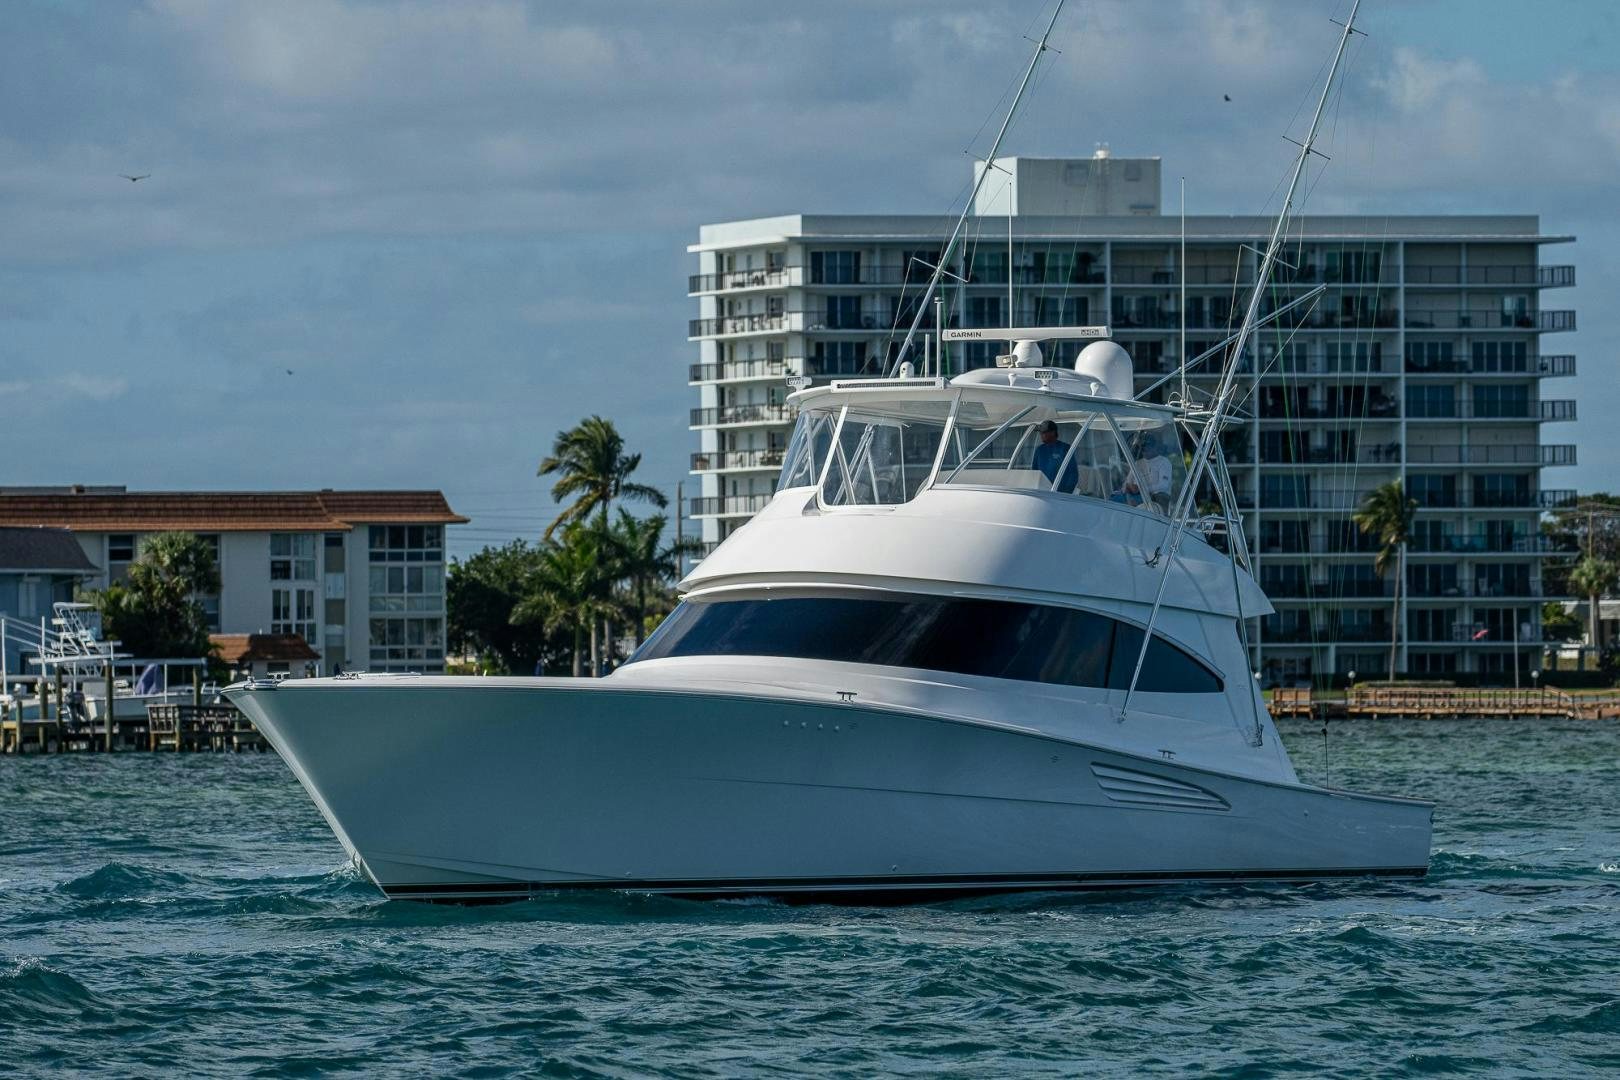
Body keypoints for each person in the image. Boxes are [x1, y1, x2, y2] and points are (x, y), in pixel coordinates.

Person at [1113, 432, 1174, 510]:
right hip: (1135, 496)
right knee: (1115, 498)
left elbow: (1163, 485)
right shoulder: (1138, 463)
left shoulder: (1164, 462)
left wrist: (1141, 489)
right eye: (1142, 448)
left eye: (1147, 447)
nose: (1144, 450)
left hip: (1155, 498)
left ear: (1155, 447)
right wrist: (1128, 487)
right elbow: (1127, 482)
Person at [1031, 420, 1079, 494]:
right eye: (1040, 433)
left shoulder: (1065, 448)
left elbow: (1073, 474)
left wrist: (1066, 493)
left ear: (1052, 433)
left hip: (1060, 495)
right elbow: (1034, 472)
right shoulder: (1039, 450)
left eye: (1043, 432)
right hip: (1042, 493)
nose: (1040, 435)